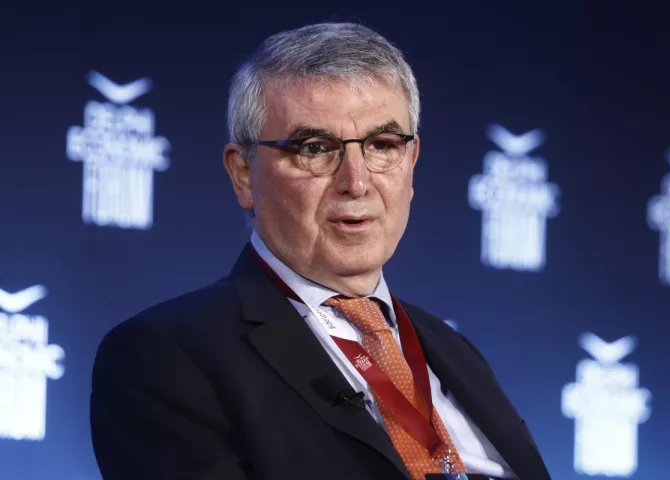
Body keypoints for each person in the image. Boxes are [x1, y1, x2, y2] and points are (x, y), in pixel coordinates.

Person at [89, 22, 551, 480]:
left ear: (411, 164)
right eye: (314, 148)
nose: (357, 181)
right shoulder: (165, 355)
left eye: (382, 145)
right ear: (244, 174)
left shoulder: (454, 352)